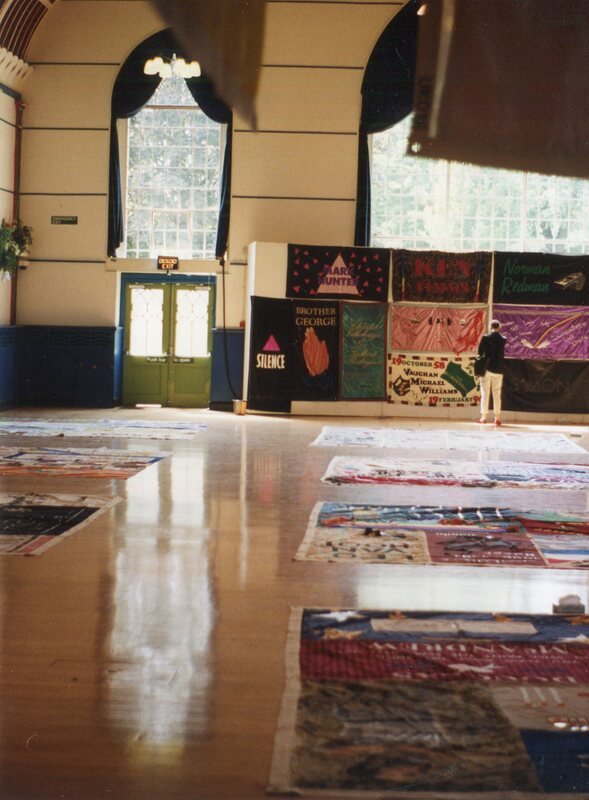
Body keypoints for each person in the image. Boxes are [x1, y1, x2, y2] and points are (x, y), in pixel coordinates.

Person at [477, 319, 506, 426]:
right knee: (497, 394)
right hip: (499, 369)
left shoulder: (485, 338)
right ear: (499, 327)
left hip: (487, 368)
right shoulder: (503, 339)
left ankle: (484, 417)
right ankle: (497, 418)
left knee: (485, 393)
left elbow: (480, 352)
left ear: (490, 327)